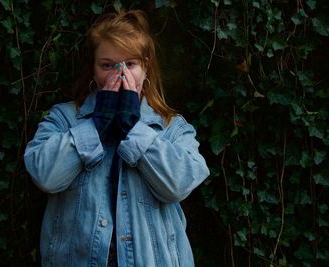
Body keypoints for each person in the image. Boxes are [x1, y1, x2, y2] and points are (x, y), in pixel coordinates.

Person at [24, 9, 209, 267]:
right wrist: (95, 125)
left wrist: (133, 127)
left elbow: (178, 185)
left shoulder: (172, 127)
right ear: (93, 70)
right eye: (107, 65)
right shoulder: (64, 119)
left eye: (130, 64)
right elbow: (45, 175)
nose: (120, 75)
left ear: (146, 68)